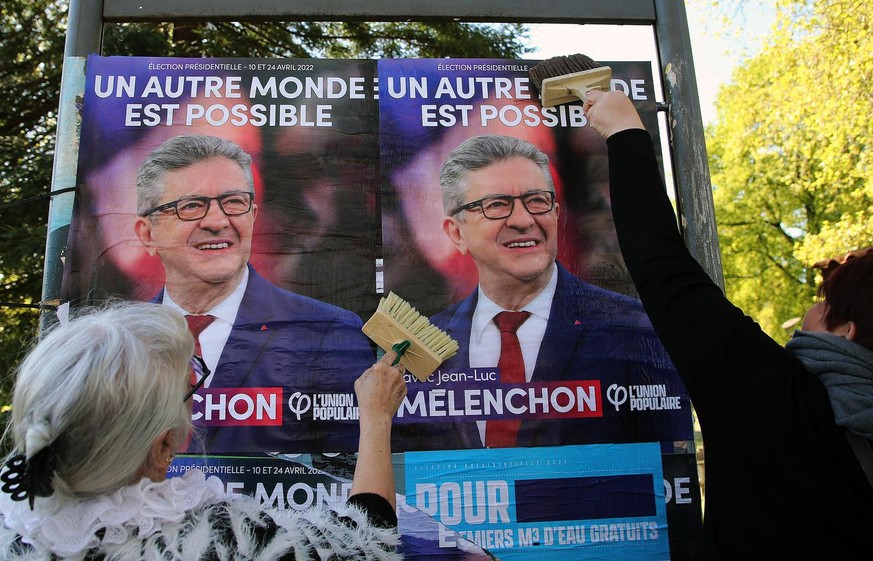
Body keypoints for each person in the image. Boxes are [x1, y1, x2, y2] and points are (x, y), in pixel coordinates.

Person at [582, 88, 873, 559]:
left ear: (849, 331)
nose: (810, 311)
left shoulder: (776, 398)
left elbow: (664, 268)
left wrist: (625, 131)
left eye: (824, 300)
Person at [0, 301, 406, 560]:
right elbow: (366, 541)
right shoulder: (220, 542)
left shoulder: (14, 524)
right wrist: (375, 415)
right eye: (190, 383)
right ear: (162, 450)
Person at [394, 133, 690, 450]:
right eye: (497, 205)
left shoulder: (636, 330)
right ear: (456, 233)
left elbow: (668, 465)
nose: (524, 220)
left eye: (537, 201)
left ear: (556, 214)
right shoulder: (422, 350)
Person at [133, 134, 375, 454]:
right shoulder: (117, 346)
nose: (218, 222)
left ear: (253, 215)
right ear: (148, 234)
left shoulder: (327, 333)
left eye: (233, 202)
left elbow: (354, 474)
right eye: (191, 206)